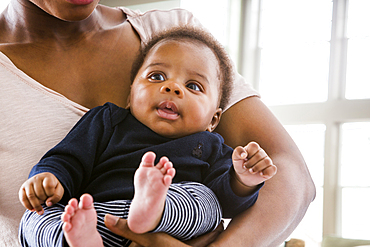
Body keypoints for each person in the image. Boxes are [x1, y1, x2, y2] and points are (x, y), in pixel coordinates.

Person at [0, 0, 315, 246]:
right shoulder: (107, 120)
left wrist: (243, 178)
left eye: (192, 86)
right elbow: (67, 158)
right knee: (37, 219)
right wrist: (47, 178)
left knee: (203, 199)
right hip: (92, 217)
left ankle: (153, 209)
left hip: (168, 212)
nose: (173, 88)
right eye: (157, 77)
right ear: (129, 94)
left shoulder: (177, 37)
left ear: (214, 119)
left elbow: (282, 177)